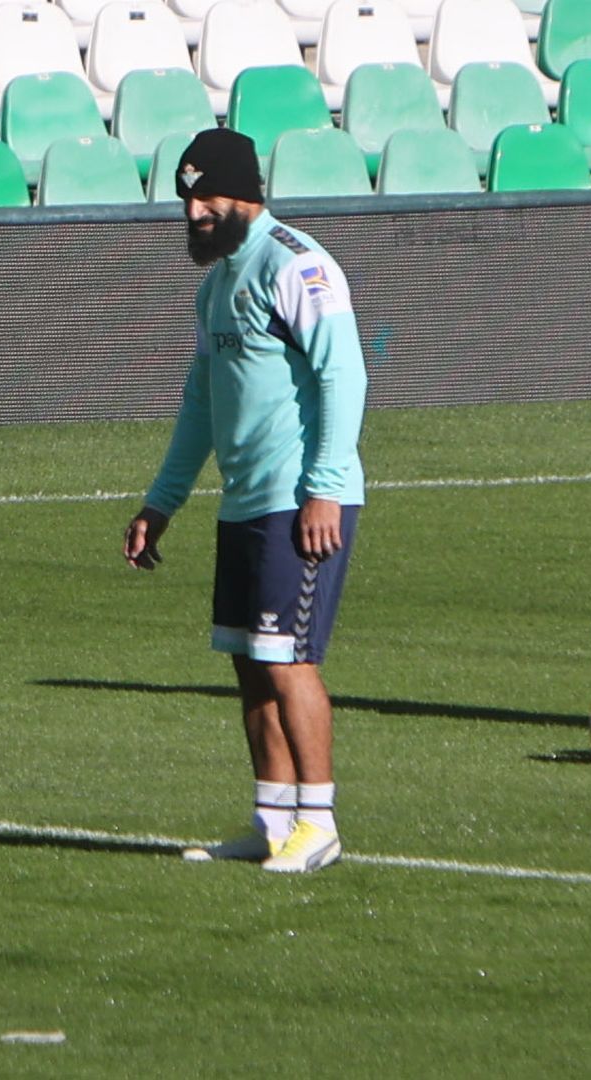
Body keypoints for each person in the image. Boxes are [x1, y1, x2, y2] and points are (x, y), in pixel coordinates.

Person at [123, 129, 367, 874]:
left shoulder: (298, 265)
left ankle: (318, 822)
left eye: (205, 195)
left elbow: (343, 377)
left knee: (290, 661)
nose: (194, 211)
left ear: (244, 191)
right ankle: (270, 819)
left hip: (297, 503)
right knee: (250, 663)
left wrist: (323, 487)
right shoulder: (217, 282)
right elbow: (200, 400)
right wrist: (160, 502)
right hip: (243, 502)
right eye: (185, 198)